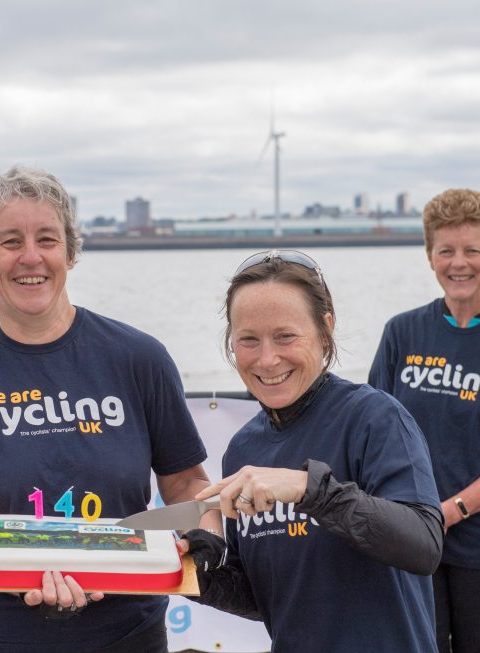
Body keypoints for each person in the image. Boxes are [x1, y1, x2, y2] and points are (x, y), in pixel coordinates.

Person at [0, 164, 220, 653]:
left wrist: (204, 537)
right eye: (10, 241)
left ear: (71, 253)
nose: (30, 257)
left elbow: (186, 484)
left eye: (48, 240)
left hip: (127, 630)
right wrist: (40, 576)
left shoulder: (139, 358)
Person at [180, 249, 444, 652]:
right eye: (248, 340)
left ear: (325, 330)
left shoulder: (374, 418)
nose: (267, 359)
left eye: (285, 336)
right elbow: (268, 596)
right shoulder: (243, 448)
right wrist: (202, 575)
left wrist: (311, 489)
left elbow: (424, 545)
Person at [368, 189, 480, 652]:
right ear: (429, 255)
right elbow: (373, 432)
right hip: (410, 539)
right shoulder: (402, 332)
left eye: (472, 250)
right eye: (446, 251)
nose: (459, 264)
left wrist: (450, 511)